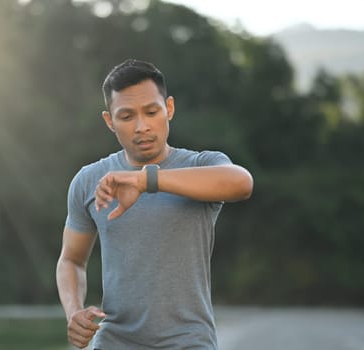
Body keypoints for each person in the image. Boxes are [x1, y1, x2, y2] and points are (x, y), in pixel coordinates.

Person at [56, 59, 253, 349]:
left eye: (151, 112)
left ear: (169, 109)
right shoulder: (90, 181)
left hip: (189, 342)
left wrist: (146, 181)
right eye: (126, 116)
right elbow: (71, 260)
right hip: (114, 341)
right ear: (110, 121)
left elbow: (241, 183)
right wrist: (73, 311)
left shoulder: (201, 165)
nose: (141, 127)